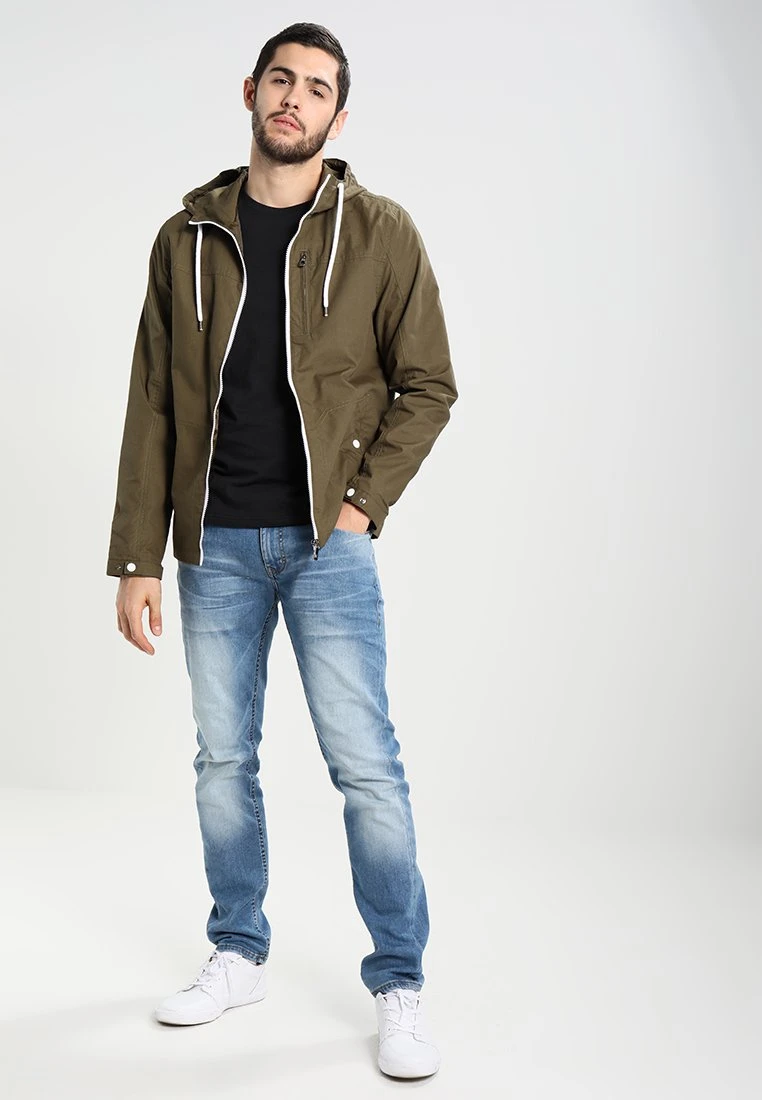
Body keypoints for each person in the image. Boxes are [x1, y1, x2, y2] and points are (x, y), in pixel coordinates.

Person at [107, 21, 457, 1080]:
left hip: (324, 545)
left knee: (366, 765)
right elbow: (152, 401)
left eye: (316, 88)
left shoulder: (380, 231)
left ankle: (398, 979)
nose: (294, 98)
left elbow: (428, 384)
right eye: (281, 80)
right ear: (251, 92)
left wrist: (359, 506)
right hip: (211, 543)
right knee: (223, 759)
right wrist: (137, 556)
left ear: (338, 117)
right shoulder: (187, 237)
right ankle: (238, 950)